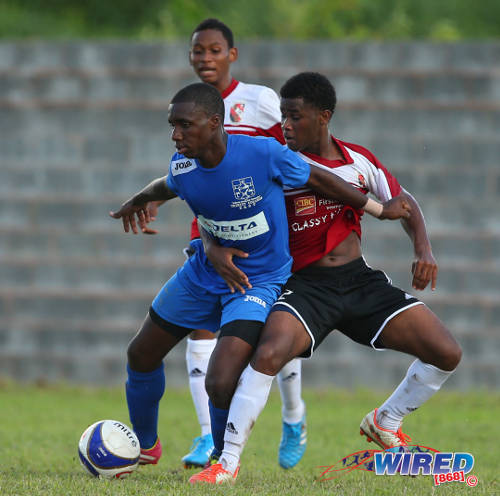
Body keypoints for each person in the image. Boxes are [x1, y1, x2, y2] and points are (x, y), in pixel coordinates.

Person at [109, 82, 410, 472]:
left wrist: (377, 209)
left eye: (184, 124)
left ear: (215, 123)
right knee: (140, 353)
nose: (175, 134)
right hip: (202, 273)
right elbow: (169, 188)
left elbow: (319, 179)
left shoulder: (261, 153)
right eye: (172, 125)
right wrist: (140, 200)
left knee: (220, 380)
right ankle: (145, 447)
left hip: (257, 282)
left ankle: (221, 460)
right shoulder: (182, 165)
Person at [188, 72, 461, 484]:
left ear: (324, 117)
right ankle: (226, 465)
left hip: (359, 282)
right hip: (304, 286)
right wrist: (209, 244)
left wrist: (423, 248)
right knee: (268, 355)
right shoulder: (274, 160)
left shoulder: (358, 161)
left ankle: (385, 421)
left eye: (295, 116)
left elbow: (402, 202)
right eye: (282, 116)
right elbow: (218, 197)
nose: (286, 125)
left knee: (447, 352)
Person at [146, 18, 308, 470]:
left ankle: (293, 415)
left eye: (214, 50)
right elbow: (178, 180)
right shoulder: (187, 108)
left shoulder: (258, 101)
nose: (205, 59)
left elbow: (289, 153)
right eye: (197, 51)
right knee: (201, 329)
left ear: (231, 55)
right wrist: (205, 239)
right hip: (212, 227)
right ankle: (206, 438)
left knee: (276, 333)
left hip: (266, 227)